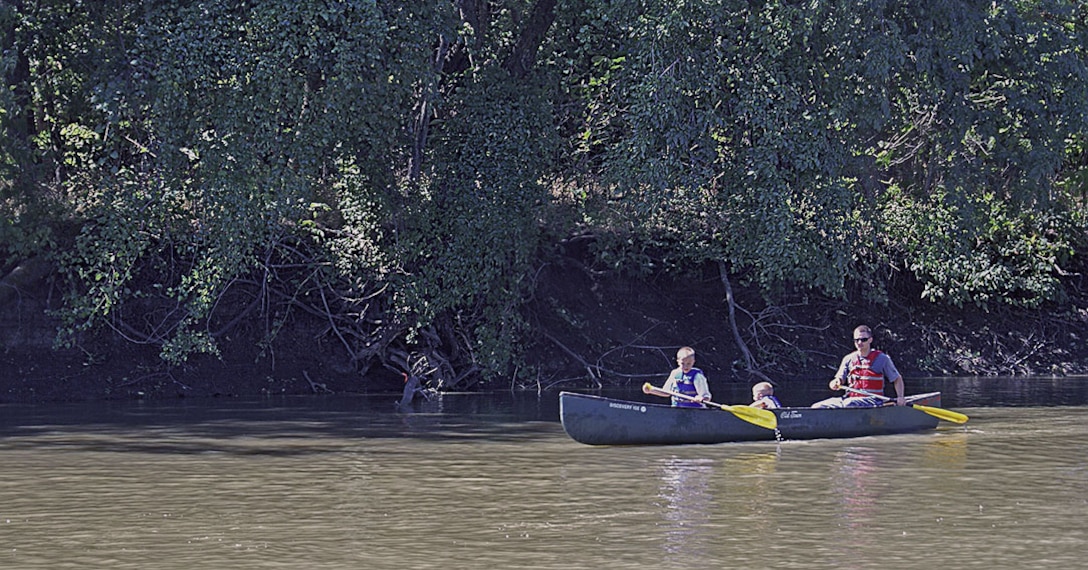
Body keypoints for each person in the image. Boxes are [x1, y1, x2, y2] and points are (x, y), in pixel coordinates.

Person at [812, 325, 906, 408]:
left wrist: (900, 397)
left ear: (870, 340)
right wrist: (834, 383)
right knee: (817, 406)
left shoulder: (882, 359)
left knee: (849, 404)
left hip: (873, 400)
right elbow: (839, 378)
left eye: (863, 340)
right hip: (850, 398)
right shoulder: (848, 358)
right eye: (856, 340)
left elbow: (897, 379)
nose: (860, 342)